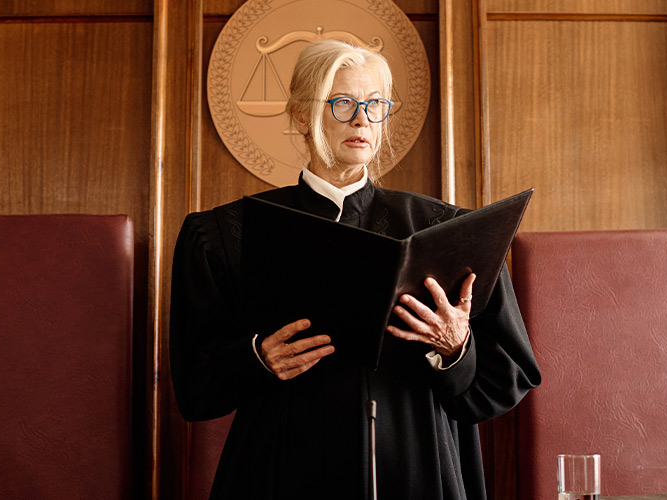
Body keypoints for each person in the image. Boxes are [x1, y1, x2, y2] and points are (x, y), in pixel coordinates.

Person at [170, 39, 540, 500]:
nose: (362, 119)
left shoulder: (447, 230)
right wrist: (257, 358)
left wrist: (455, 345)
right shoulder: (223, 234)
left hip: (418, 463)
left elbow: (505, 380)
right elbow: (195, 389)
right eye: (342, 103)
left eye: (374, 105)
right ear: (301, 116)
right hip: (281, 466)